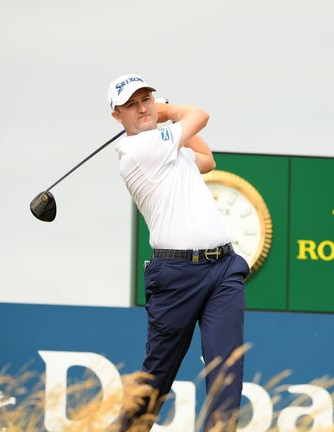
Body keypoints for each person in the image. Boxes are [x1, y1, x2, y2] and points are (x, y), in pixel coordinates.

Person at [108, 74, 249, 431]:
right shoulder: (140, 150)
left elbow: (206, 158)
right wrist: (167, 110)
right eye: (132, 104)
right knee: (157, 376)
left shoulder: (170, 149)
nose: (142, 108)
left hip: (224, 268)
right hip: (177, 276)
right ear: (117, 117)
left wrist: (163, 118)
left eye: (147, 100)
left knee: (226, 372)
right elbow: (199, 115)